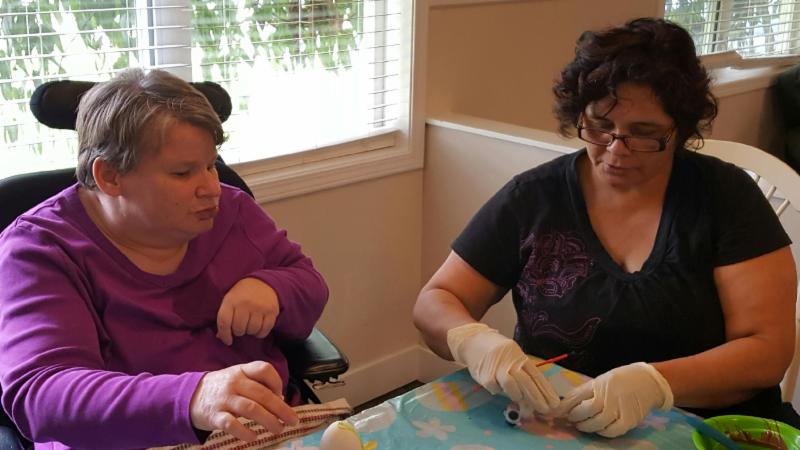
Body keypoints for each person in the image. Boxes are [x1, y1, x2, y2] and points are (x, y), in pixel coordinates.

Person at [413, 17, 800, 438]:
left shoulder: (724, 197)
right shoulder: (534, 197)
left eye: (644, 134)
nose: (616, 150)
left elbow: (767, 352)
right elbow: (437, 299)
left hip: (706, 428)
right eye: (600, 127)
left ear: (681, 130)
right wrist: (474, 341)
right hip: (563, 424)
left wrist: (656, 383)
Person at [0, 68, 329, 449]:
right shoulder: (40, 250)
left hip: (257, 430)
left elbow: (310, 284)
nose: (212, 188)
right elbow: (43, 395)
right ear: (110, 177)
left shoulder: (233, 211)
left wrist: (273, 288)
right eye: (183, 172)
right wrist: (191, 398)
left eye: (211, 165)